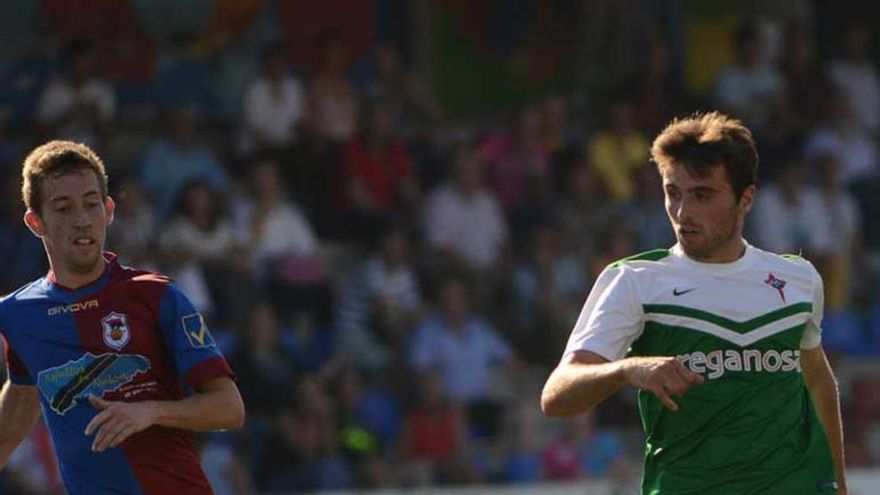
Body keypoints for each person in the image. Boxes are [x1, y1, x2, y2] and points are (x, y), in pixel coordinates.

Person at [541, 112, 847, 494]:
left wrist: (840, 484)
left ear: (745, 198)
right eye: (673, 193)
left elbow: (817, 379)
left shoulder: (797, 279)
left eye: (703, 194)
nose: (683, 212)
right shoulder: (634, 280)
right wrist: (627, 370)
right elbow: (556, 395)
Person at [0, 140, 245, 494]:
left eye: (91, 204)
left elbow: (229, 409)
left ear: (109, 209)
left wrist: (152, 411)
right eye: (64, 208)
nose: (82, 220)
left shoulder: (156, 295)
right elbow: (20, 404)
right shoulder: (18, 315)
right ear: (35, 221)